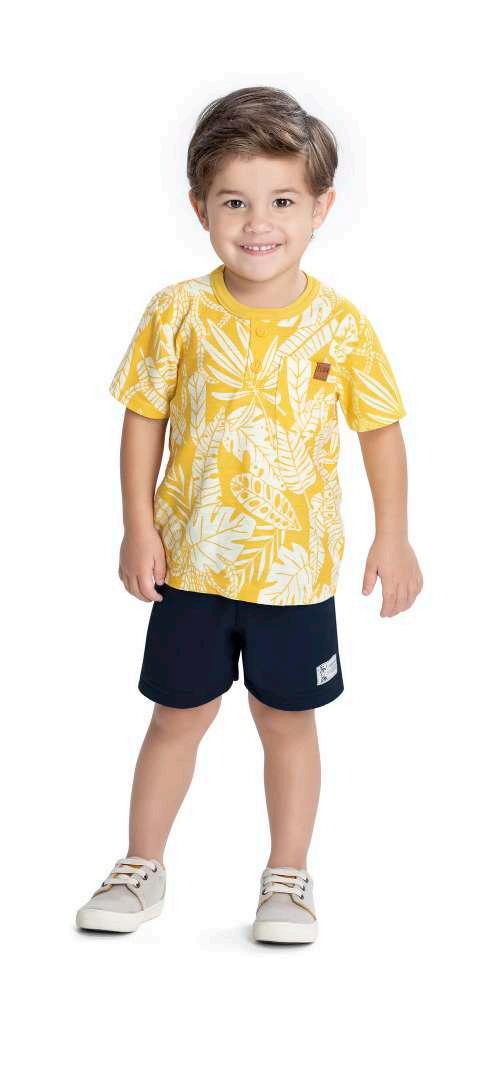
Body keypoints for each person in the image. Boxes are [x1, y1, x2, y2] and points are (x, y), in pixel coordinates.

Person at [76, 85, 423, 942]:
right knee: (175, 718)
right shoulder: (179, 312)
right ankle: (141, 865)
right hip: (192, 565)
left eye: (282, 202)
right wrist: (137, 525)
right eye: (234, 201)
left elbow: (379, 429)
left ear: (320, 208)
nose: (258, 222)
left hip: (294, 574)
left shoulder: (341, 326)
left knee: (287, 721)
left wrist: (394, 534)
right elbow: (144, 418)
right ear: (201, 208)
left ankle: (287, 877)